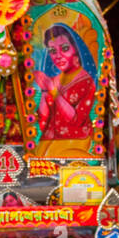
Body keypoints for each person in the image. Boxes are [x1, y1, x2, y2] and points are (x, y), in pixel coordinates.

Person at [35, 24, 96, 157]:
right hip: (50, 138)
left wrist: (54, 92)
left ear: (76, 49)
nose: (58, 55)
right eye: (52, 51)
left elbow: (75, 120)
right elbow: (43, 119)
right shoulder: (55, 79)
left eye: (65, 48)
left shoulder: (86, 82)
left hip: (75, 139)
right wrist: (45, 90)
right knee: (38, 158)